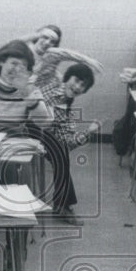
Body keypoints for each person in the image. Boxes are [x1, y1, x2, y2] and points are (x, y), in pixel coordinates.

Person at [33, 56, 101, 222]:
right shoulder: (49, 84)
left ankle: (62, 206)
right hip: (22, 125)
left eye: (82, 86)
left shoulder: (67, 113)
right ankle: (63, 206)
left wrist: (88, 132)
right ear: (67, 77)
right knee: (59, 150)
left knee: (61, 151)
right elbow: (51, 56)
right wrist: (85, 59)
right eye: (76, 80)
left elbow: (68, 142)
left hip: (41, 137)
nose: (77, 87)